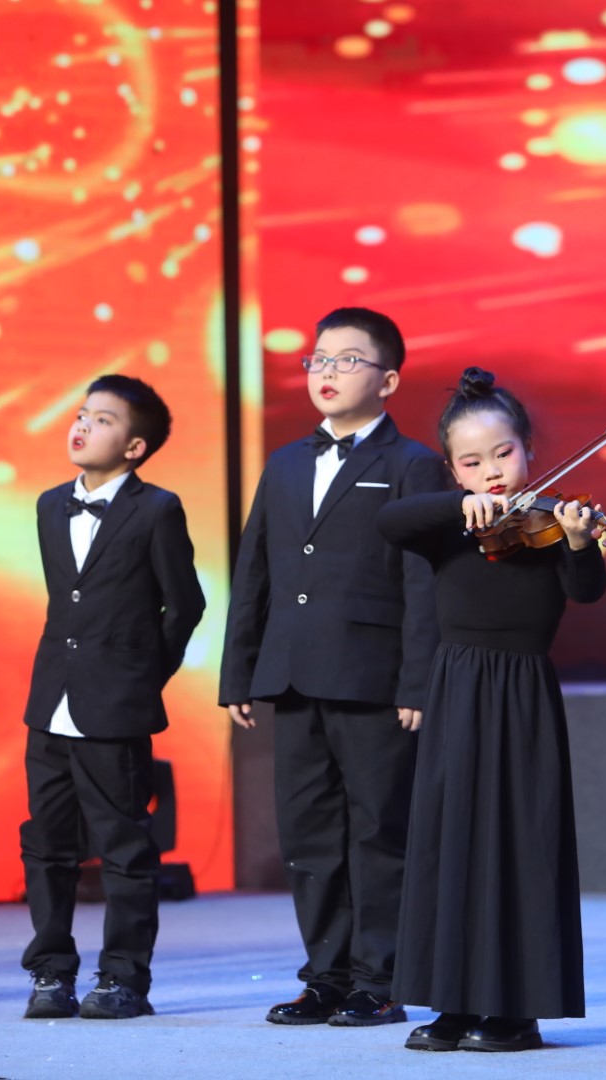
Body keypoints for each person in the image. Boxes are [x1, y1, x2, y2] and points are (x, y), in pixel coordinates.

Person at [220, 307, 452, 1027]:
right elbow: (254, 571)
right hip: (292, 673)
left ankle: (380, 981)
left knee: (378, 830)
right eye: (319, 359)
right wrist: (239, 672)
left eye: (348, 359)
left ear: (389, 381)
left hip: (372, 678)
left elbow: (424, 580)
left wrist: (418, 681)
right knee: (309, 832)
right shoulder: (286, 462)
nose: (327, 371)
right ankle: (325, 977)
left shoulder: (412, 463)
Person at [376, 366, 606, 1053]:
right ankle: (452, 1002)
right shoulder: (451, 524)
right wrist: (458, 506)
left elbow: (587, 591)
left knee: (521, 842)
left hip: (523, 695)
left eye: (503, 454)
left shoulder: (553, 520)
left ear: (528, 448)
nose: (492, 472)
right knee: (450, 842)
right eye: (471, 462)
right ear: (451, 469)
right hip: (456, 690)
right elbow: (389, 521)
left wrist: (578, 538)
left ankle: (516, 1010)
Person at [19, 374, 205, 1021]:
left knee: (123, 847)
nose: (82, 425)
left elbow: (185, 605)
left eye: (102, 419)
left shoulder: (156, 509)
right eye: (81, 414)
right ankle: (50, 973)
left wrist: (139, 677)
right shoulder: (50, 505)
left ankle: (124, 977)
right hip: (50, 703)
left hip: (114, 707)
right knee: (46, 845)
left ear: (134, 446)